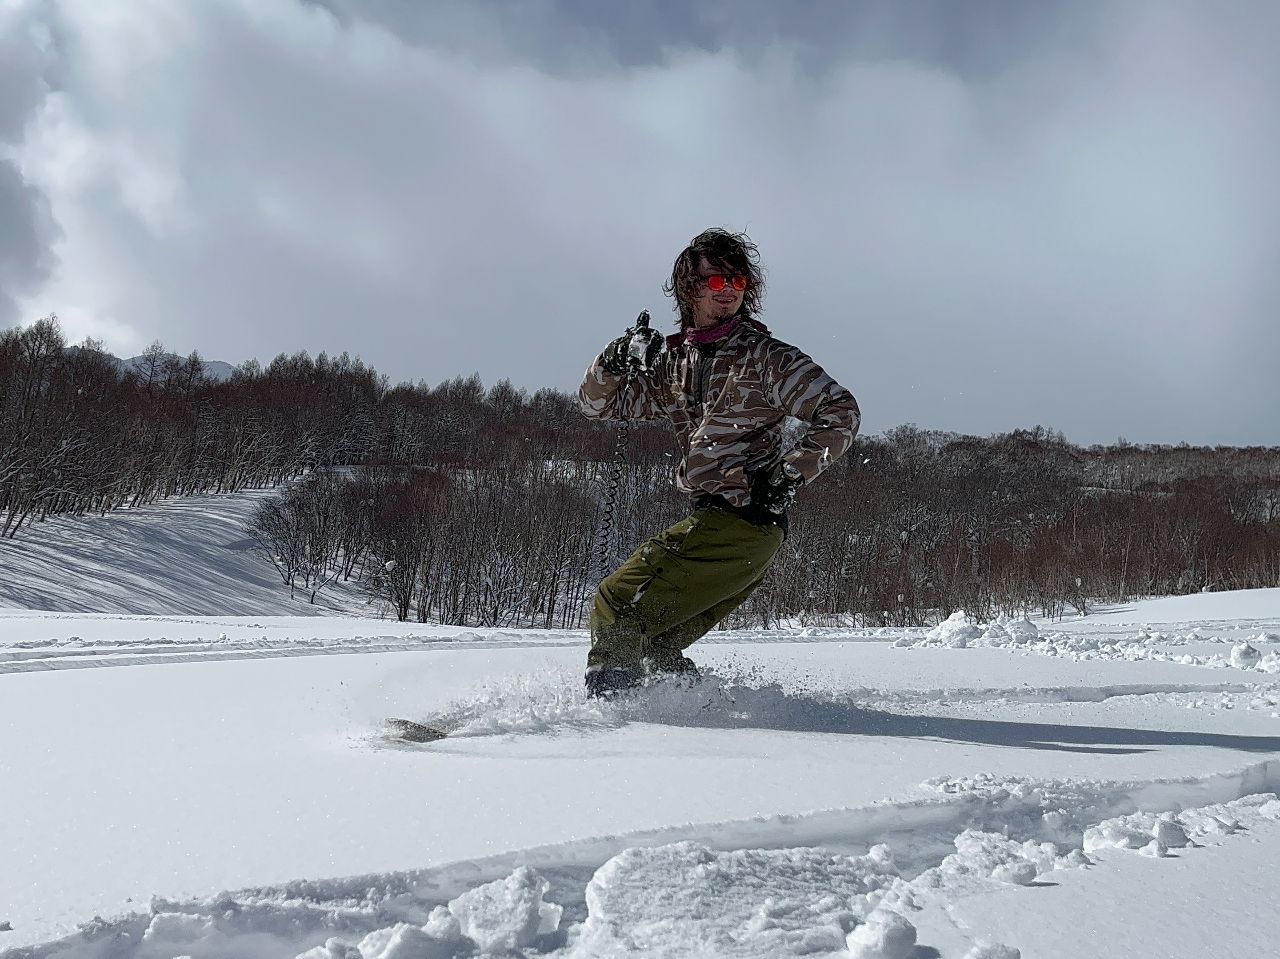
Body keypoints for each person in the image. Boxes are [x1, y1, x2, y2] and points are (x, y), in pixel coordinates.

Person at [579, 228, 860, 697]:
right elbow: (599, 406)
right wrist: (612, 360)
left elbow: (841, 411)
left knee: (617, 601)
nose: (728, 289)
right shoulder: (673, 363)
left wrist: (789, 475)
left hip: (745, 519)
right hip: (715, 523)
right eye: (715, 281)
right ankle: (693, 717)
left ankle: (610, 717)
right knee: (653, 644)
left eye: (738, 281)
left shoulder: (766, 358)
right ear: (689, 289)